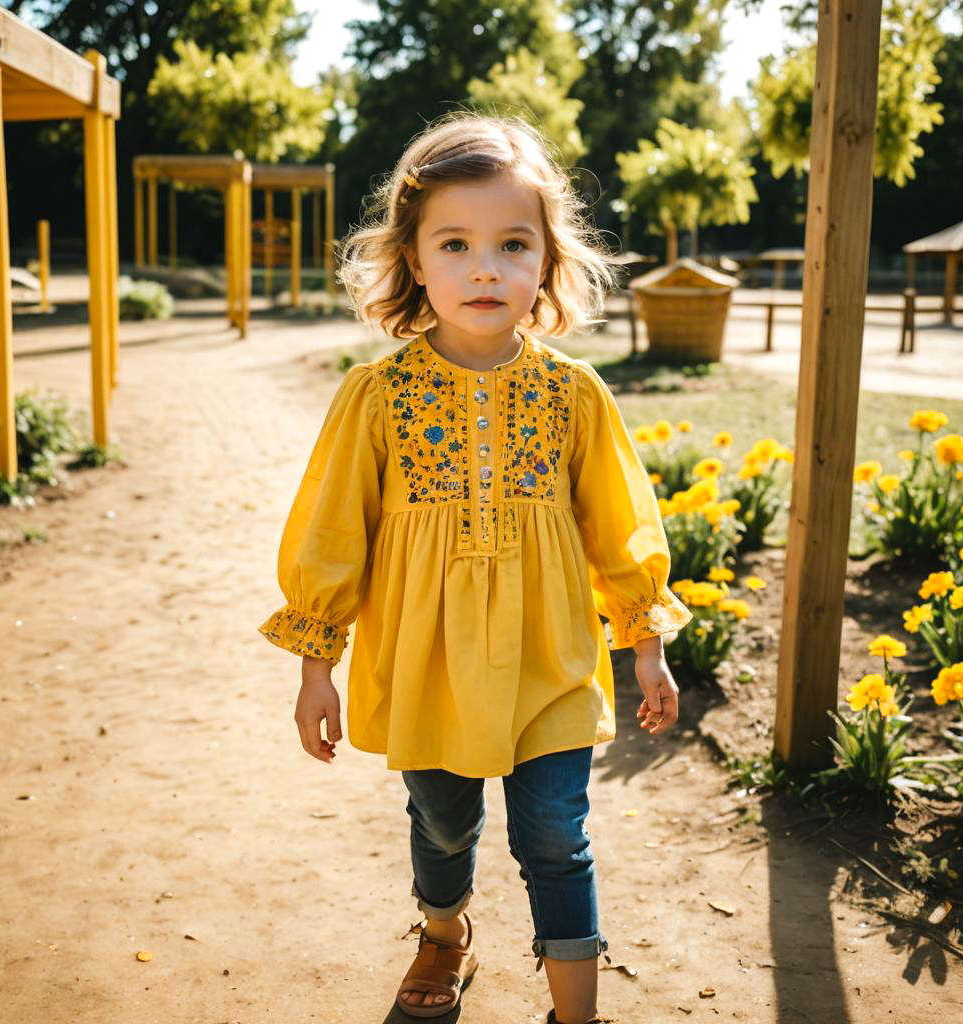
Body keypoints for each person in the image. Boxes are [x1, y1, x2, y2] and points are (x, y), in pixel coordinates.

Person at [259, 112, 693, 1024]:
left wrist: (647, 643)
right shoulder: (376, 397)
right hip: (430, 663)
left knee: (555, 837)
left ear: (547, 260)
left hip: (550, 663)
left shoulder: (576, 395)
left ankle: (579, 1013)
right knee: (444, 823)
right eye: (454, 244)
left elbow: (620, 527)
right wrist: (316, 669)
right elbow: (332, 536)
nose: (485, 268)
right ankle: (445, 933)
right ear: (415, 259)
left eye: (512, 243)